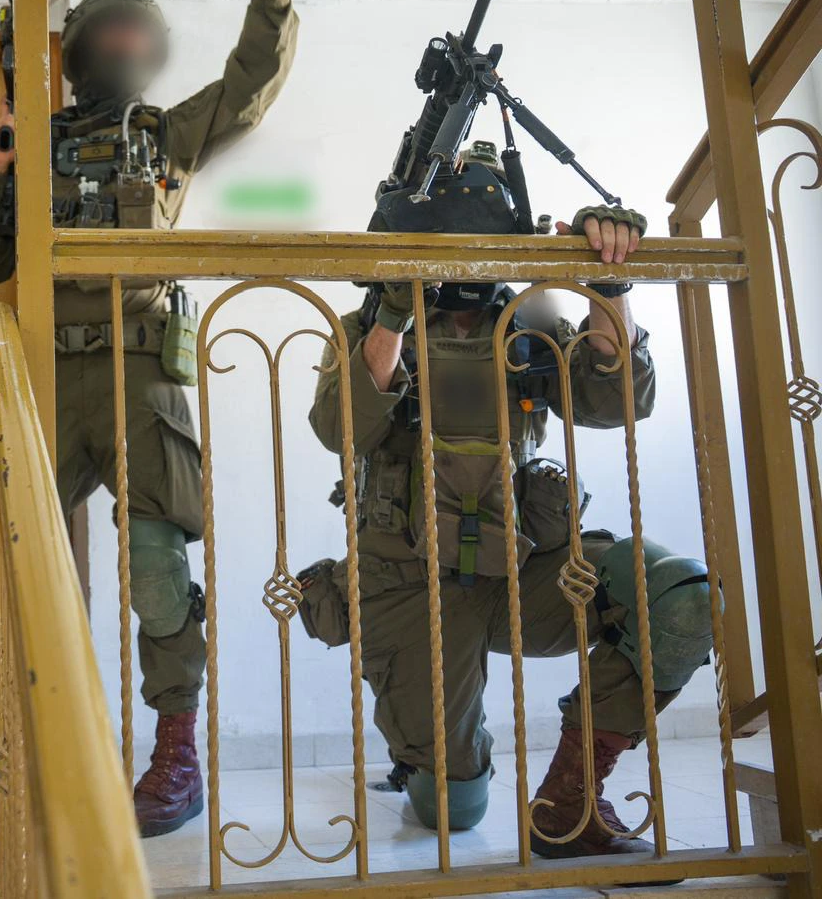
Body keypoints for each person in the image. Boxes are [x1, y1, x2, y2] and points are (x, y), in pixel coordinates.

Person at [0, 0, 308, 837]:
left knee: (157, 565)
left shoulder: (167, 135)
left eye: (131, 32)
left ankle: (174, 756)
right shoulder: (33, 140)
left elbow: (252, 84)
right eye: (102, 31)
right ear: (74, 51)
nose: (119, 44)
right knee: (8, 568)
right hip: (45, 376)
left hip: (142, 375)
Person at [300, 167, 714, 859]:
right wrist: (395, 313)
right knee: (452, 810)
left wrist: (608, 282)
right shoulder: (368, 325)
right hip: (409, 581)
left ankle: (570, 801)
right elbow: (339, 430)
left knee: (677, 597)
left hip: (524, 569)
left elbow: (617, 403)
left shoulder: (532, 325)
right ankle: (443, 747)